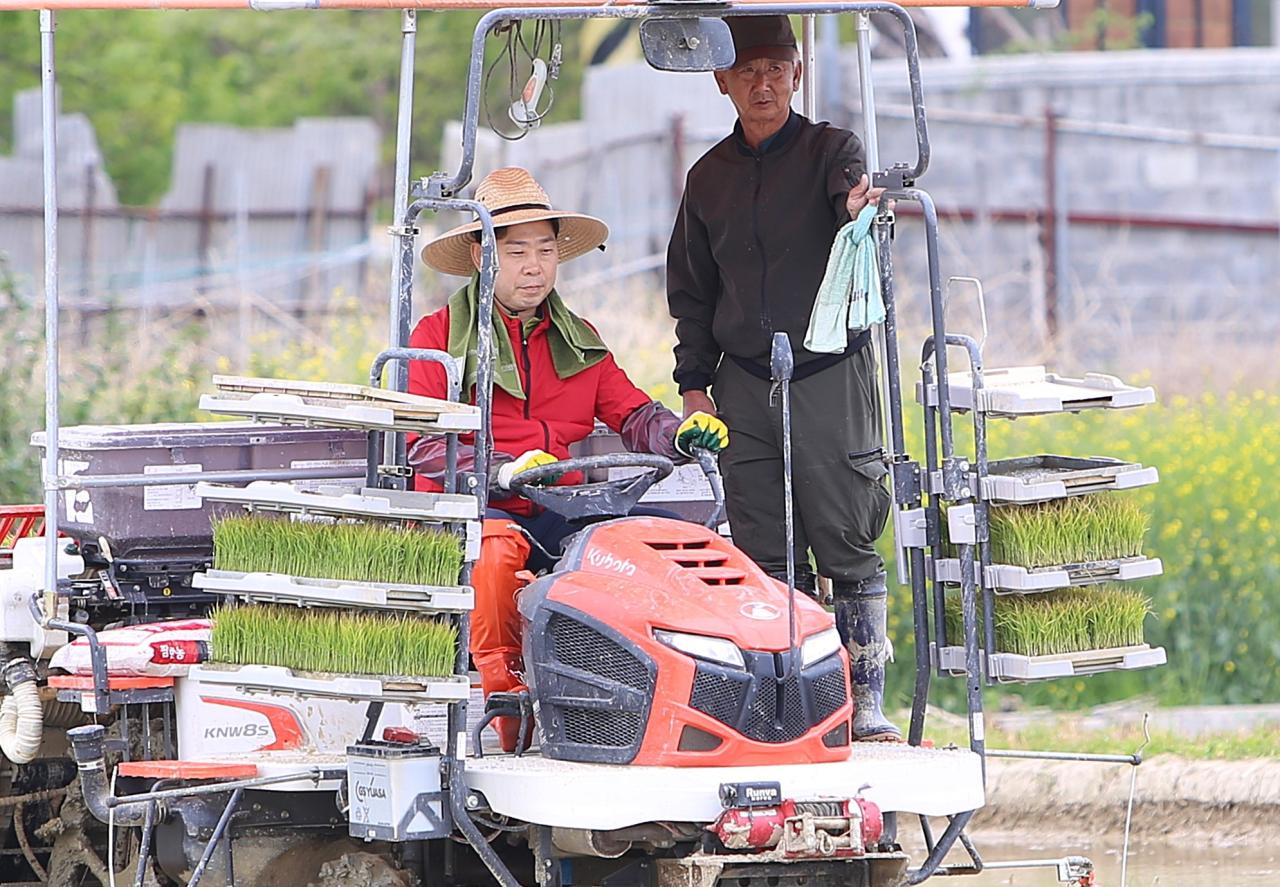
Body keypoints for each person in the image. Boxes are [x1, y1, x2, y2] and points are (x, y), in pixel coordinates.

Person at [408, 167, 728, 751]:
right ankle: (509, 720)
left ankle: (654, 716)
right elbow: (423, 447)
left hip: (560, 503)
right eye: (517, 251)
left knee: (650, 549)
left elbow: (632, 415)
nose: (534, 266)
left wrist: (680, 435)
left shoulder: (577, 336)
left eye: (546, 250)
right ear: (482, 256)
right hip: (476, 509)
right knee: (497, 555)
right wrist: (501, 469)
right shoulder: (435, 338)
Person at [665, 16, 898, 741]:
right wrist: (694, 385)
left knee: (845, 534)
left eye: (776, 68)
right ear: (722, 81)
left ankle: (866, 700)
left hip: (828, 372)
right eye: (747, 72)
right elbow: (693, 295)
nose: (762, 84)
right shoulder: (707, 178)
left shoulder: (835, 151)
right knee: (763, 551)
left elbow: (852, 212)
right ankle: (792, 702)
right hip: (743, 385)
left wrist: (861, 210)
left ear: (797, 74)